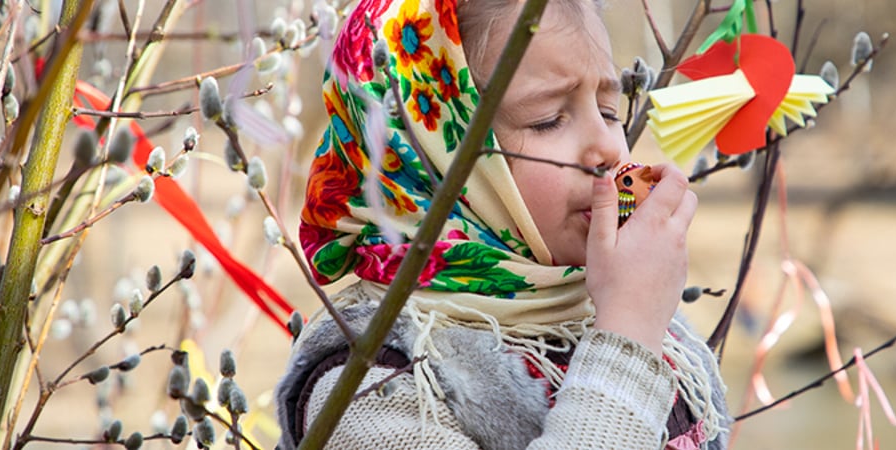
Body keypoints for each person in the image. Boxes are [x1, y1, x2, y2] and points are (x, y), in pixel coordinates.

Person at [276, 0, 729, 448]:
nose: (609, 148)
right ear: (430, 158)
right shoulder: (371, 390)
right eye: (549, 120)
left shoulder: (639, 324)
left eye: (609, 111)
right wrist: (627, 335)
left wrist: (635, 319)